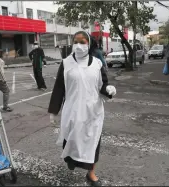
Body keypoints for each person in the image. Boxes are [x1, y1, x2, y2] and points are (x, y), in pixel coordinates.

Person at [48, 31, 116, 187]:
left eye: (83, 42)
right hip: (72, 111)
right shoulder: (66, 63)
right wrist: (53, 111)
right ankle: (72, 160)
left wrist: (109, 90)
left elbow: (102, 85)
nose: (79, 45)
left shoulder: (97, 64)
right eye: (76, 41)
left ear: (89, 44)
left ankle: (91, 173)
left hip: (93, 112)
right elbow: (59, 88)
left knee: (93, 142)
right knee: (72, 140)